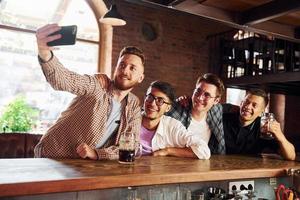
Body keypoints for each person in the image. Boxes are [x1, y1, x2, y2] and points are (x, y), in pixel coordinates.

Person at [34, 24, 145, 160]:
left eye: (132, 68)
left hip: (83, 166)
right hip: (53, 155)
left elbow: (131, 145)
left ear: (141, 77)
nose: (125, 71)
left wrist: (97, 154)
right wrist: (44, 52)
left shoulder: (133, 105)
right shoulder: (98, 85)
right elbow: (64, 80)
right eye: (122, 65)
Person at [140, 81, 210, 159]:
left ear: (168, 108)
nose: (152, 103)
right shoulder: (129, 118)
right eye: (150, 97)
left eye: (160, 101)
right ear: (144, 98)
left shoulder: (172, 126)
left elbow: (203, 151)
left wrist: (168, 151)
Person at [223, 88, 296, 160]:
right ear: (241, 103)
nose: (248, 107)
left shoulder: (264, 127)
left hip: (250, 168)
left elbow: (291, 156)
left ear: (262, 112)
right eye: (246, 102)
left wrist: (280, 136)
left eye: (254, 105)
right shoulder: (223, 119)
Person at [166, 73, 227, 155]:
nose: (199, 97)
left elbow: (228, 107)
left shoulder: (216, 110)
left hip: (205, 163)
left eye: (207, 95)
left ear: (216, 101)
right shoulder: (177, 109)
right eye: (198, 91)